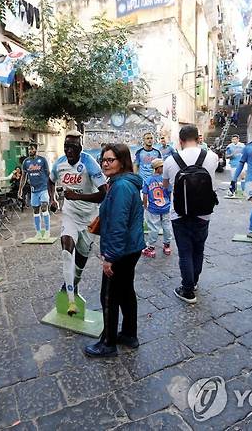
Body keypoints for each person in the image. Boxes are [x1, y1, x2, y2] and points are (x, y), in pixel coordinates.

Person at [84, 143, 145, 357]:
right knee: (126, 291)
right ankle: (129, 334)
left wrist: (109, 257)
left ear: (122, 162)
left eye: (111, 160)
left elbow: (119, 225)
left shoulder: (120, 186)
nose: (105, 163)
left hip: (121, 250)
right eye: (103, 159)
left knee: (108, 296)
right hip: (131, 247)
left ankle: (108, 343)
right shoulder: (122, 182)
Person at [48, 130, 107, 316]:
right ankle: (71, 301)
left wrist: (78, 195)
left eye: (73, 147)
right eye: (66, 147)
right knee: (66, 250)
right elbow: (50, 181)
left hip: (90, 218)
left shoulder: (90, 163)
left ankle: (71, 284)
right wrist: (53, 199)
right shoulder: (59, 163)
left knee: (81, 260)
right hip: (70, 214)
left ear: (80, 147)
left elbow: (103, 193)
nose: (69, 150)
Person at [163, 125, 219, 304]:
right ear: (199, 139)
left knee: (185, 252)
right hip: (204, 213)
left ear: (180, 141)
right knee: (199, 249)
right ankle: (193, 282)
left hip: (179, 214)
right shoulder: (211, 157)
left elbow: (165, 186)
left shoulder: (171, 160)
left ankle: (187, 291)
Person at [141, 158, 173, 258]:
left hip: (153, 208)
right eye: (162, 167)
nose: (164, 168)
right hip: (165, 207)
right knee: (166, 226)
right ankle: (167, 246)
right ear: (157, 168)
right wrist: (169, 203)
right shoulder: (166, 180)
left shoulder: (148, 180)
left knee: (153, 228)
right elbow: (169, 193)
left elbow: (145, 194)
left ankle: (151, 247)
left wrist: (145, 206)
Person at [20, 144, 51, 239]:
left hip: (44, 188)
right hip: (34, 190)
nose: (30, 151)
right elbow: (23, 177)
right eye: (29, 149)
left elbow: (49, 174)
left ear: (36, 150)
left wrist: (52, 190)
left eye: (32, 149)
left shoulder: (42, 160)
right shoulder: (26, 162)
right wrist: (20, 189)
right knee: (36, 211)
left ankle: (47, 231)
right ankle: (38, 232)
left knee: (44, 208)